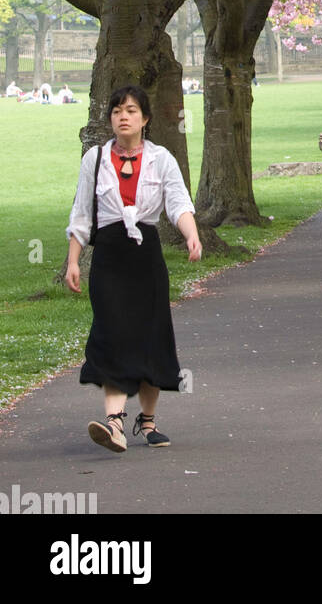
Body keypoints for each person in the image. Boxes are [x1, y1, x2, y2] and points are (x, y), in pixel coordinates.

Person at [65, 84, 202, 451]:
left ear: (145, 119)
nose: (122, 117)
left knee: (150, 335)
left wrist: (192, 236)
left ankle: (148, 420)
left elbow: (178, 202)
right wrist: (73, 261)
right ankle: (114, 423)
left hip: (146, 257)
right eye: (116, 111)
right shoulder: (94, 159)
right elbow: (81, 214)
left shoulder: (162, 159)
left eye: (130, 110)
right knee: (113, 331)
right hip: (109, 256)